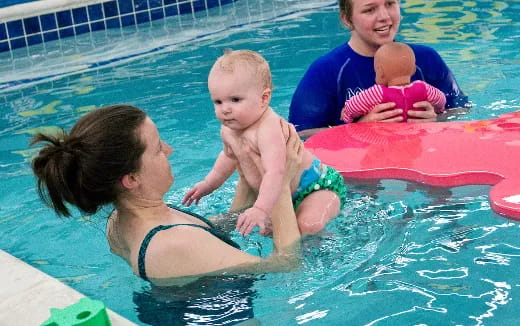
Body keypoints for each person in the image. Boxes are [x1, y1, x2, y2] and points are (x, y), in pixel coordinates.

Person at [30, 104, 303, 286]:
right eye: (158, 149)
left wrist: (248, 166)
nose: (170, 150)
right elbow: (287, 264)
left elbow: (210, 239)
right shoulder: (171, 244)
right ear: (131, 179)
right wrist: (279, 181)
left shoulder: (121, 219)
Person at [182, 50, 347, 236]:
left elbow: (275, 172)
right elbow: (228, 157)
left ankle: (324, 247)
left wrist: (260, 209)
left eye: (235, 100)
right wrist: (208, 184)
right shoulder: (228, 129)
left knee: (309, 226)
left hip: (315, 187)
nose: (225, 109)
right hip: (281, 193)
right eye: (218, 102)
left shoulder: (268, 129)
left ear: (264, 98)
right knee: (256, 227)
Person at [289, 0, 469, 138]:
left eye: (390, 3)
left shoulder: (426, 59)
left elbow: (462, 109)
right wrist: (358, 130)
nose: (384, 16)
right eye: (369, 9)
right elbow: (300, 135)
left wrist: (437, 120)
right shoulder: (325, 71)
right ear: (347, 19)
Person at [341, 41, 446, 123]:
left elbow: (354, 106)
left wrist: (346, 115)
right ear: (414, 69)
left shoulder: (377, 92)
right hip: (415, 140)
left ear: (380, 72)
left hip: (388, 140)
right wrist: (438, 110)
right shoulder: (423, 88)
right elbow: (441, 99)